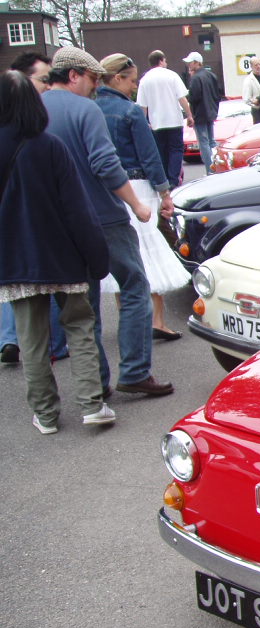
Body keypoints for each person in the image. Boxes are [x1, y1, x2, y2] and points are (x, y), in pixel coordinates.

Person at [43, 46, 173, 397]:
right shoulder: (86, 109)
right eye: (92, 78)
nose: (96, 86)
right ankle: (134, 371)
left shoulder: (36, 110)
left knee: (83, 304)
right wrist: (136, 203)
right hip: (102, 215)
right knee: (134, 285)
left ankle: (96, 383)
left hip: (59, 223)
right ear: (74, 75)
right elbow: (105, 163)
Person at [0, 70, 114, 432]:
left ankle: (46, 415)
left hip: (15, 260)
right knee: (80, 327)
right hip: (63, 255)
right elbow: (77, 209)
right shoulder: (50, 146)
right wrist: (97, 256)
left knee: (32, 339)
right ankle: (92, 405)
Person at [96, 53, 189, 342]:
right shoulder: (130, 111)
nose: (134, 87)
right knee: (148, 251)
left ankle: (129, 320)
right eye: (132, 81)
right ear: (117, 78)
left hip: (107, 188)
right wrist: (164, 192)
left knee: (121, 254)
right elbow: (149, 156)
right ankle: (157, 320)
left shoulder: (91, 108)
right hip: (137, 186)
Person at [1, 51, 68, 365]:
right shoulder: (44, 140)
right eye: (43, 79)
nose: (49, 86)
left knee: (18, 301)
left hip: (14, 243)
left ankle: (9, 339)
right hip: (39, 237)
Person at [136, 50, 193, 189]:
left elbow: (142, 105)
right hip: (174, 120)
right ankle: (174, 179)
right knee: (176, 150)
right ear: (161, 61)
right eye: (165, 60)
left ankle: (165, 178)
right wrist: (189, 115)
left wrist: (144, 122)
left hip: (156, 123)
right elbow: (182, 98)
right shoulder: (172, 75)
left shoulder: (145, 80)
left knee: (161, 151)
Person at [183, 51, 219, 175]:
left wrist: (190, 114)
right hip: (211, 113)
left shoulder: (196, 78)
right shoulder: (211, 75)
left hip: (200, 114)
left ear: (197, 63)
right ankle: (216, 166)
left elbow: (194, 97)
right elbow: (217, 95)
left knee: (203, 142)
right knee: (212, 142)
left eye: (190, 62)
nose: (188, 65)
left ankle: (210, 170)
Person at [242, 56, 260, 121]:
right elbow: (246, 99)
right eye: (256, 65)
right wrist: (256, 103)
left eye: (259, 64)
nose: (258, 67)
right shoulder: (248, 80)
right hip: (257, 112)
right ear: (251, 66)